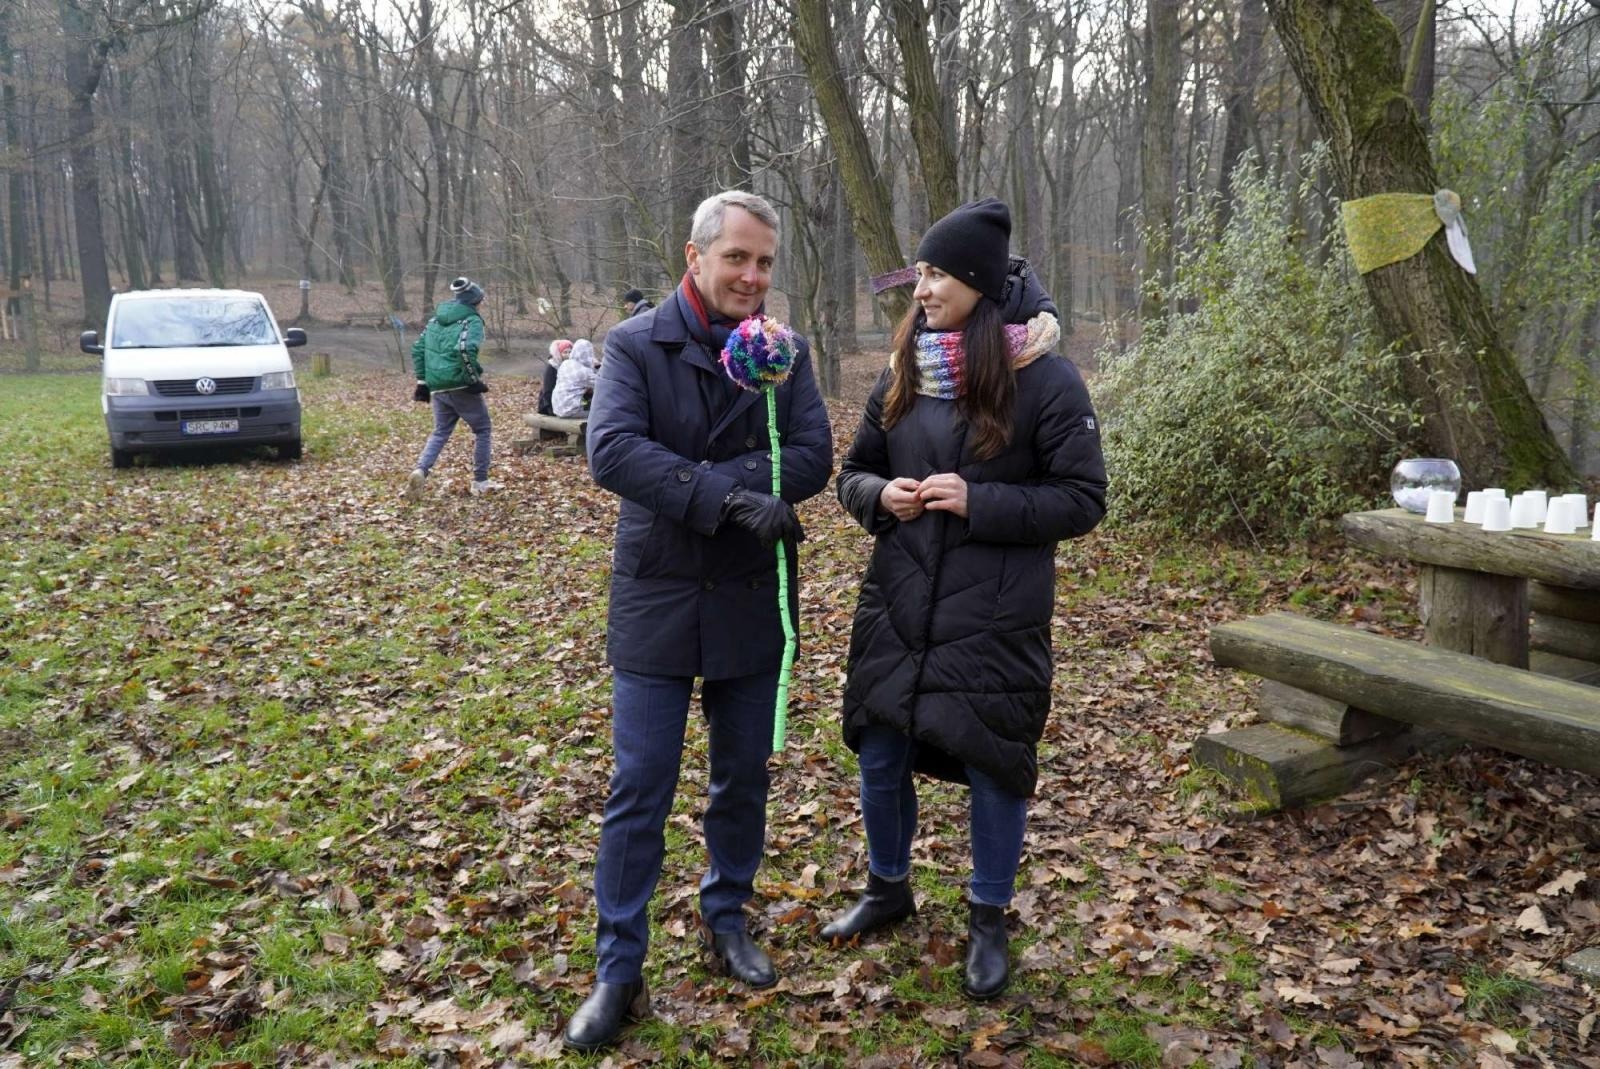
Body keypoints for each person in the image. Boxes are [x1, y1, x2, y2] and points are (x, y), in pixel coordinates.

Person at [564, 191, 833, 1052]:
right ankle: (619, 965)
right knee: (640, 784)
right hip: (659, 593)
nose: (753, 276)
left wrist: (743, 486)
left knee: (741, 776)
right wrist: (727, 495)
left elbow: (814, 455)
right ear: (696, 256)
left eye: (765, 262)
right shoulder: (637, 344)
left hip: (750, 595)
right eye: (737, 258)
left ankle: (727, 916)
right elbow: (613, 449)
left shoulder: (785, 352)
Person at [824, 198, 1107, 1000]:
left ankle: (988, 916)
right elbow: (854, 472)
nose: (920, 289)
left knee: (993, 764)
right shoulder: (904, 370)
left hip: (995, 616)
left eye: (937, 274)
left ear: (979, 284)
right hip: (899, 603)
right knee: (881, 753)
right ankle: (888, 888)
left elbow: (1083, 498)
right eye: (918, 273)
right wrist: (881, 496)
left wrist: (981, 501)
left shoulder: (1045, 380)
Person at [405, 277, 503, 499]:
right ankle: (480, 482)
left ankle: (421, 470)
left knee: (440, 432)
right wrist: (472, 380)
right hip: (460, 385)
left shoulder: (434, 321)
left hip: (438, 387)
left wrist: (422, 382)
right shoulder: (472, 321)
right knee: (483, 430)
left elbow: (417, 349)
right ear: (475, 301)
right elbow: (464, 349)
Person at [552, 338, 598, 419]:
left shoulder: (565, 364)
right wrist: (598, 367)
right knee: (601, 414)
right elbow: (601, 384)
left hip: (557, 408)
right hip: (571, 410)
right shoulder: (584, 372)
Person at [538, 339, 572, 417]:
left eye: (570, 352)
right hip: (548, 405)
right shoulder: (552, 367)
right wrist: (552, 408)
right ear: (559, 353)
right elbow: (547, 390)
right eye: (565, 352)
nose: (568, 355)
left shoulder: (571, 366)